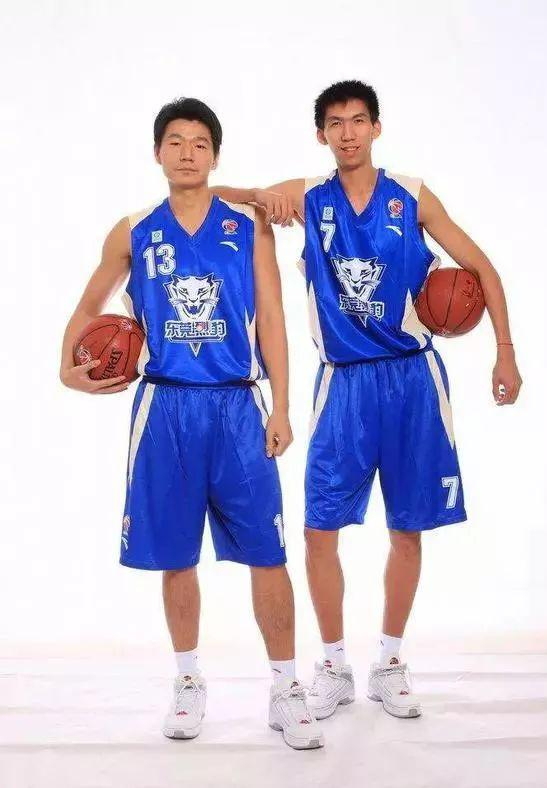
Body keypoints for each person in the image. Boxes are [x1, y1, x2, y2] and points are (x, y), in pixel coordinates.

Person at [212, 79, 522, 720]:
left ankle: (389, 662)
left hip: (412, 379)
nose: (348, 132)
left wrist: (505, 351)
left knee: (407, 529)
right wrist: (263, 197)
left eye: (358, 120)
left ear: (376, 127)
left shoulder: (411, 195)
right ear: (321, 134)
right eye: (335, 123)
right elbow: (216, 197)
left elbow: (484, 269)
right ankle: (333, 666)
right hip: (343, 384)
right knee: (318, 531)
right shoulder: (310, 197)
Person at [59, 97, 323, 750]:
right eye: (175, 141)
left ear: (215, 156)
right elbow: (87, 308)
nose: (187, 153)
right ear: (157, 152)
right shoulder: (133, 231)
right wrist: (68, 370)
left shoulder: (247, 226)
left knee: (268, 553)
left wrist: (282, 405)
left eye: (200, 143)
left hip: (237, 405)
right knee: (176, 556)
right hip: (165, 407)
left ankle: (286, 688)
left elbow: (273, 319)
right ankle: (186, 680)